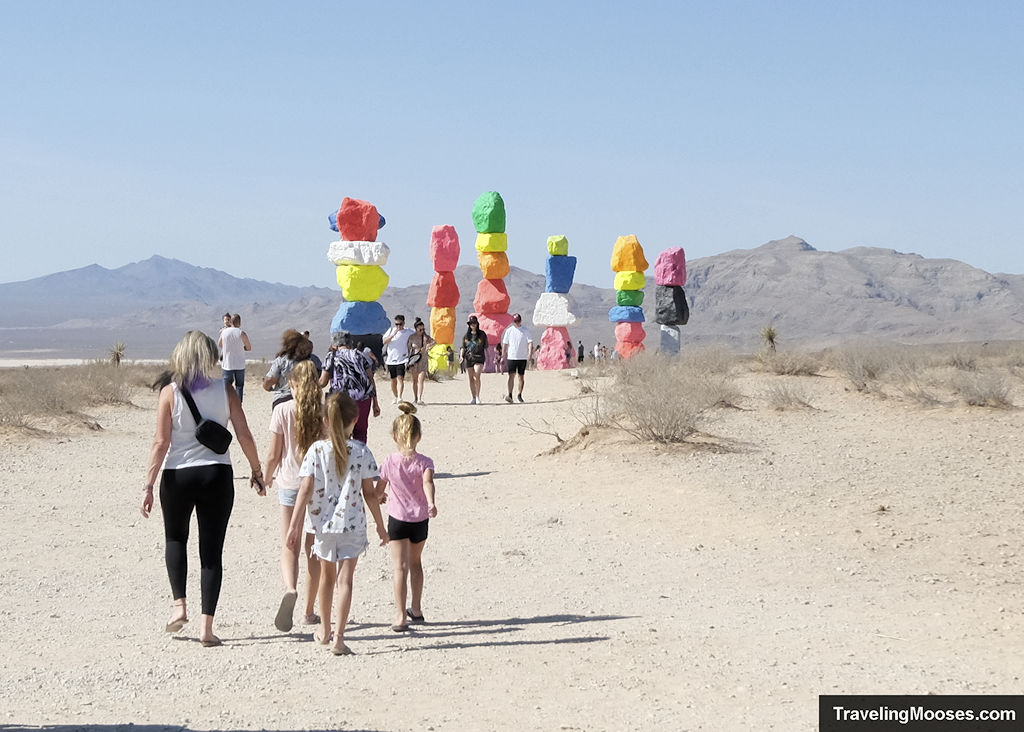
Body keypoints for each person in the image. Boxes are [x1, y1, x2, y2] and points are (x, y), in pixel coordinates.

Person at [140, 330, 264, 648]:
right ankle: (207, 629)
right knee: (211, 554)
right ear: (212, 356)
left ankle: (179, 606)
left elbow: (160, 442)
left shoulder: (169, 392)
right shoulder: (226, 390)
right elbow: (245, 435)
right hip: (217, 476)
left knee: (175, 538)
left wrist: (149, 484)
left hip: (177, 477)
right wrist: (256, 470)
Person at [287, 392, 389, 656]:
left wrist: (294, 525)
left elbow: (305, 489)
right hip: (352, 525)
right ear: (355, 419)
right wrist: (380, 525)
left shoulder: (316, 450)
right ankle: (339, 637)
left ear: (324, 420)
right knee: (346, 580)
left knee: (327, 578)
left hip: (322, 525)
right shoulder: (362, 451)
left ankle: (324, 629)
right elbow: (369, 493)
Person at [264, 360, 323, 632]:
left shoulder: (282, 410)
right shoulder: (323, 411)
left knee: (290, 541)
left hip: (289, 484)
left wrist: (264, 477)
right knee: (313, 548)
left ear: (293, 383)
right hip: (318, 486)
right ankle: (310, 611)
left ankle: (290, 587)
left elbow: (274, 454)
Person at [376, 402, 436, 632]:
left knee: (399, 567)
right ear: (419, 436)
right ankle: (417, 608)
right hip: (420, 519)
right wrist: (431, 503)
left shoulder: (389, 462)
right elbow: (428, 483)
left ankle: (400, 615)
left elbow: (379, 488)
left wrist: (380, 497)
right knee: (416, 563)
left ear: (394, 436)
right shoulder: (425, 462)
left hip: (398, 519)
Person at [319, 331, 380, 444]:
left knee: (340, 432)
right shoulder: (360, 355)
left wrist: (309, 386)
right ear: (350, 343)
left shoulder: (331, 356)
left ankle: (342, 457)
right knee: (361, 433)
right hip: (363, 400)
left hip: (341, 401)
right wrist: (375, 403)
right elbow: (370, 379)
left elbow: (323, 382)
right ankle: (359, 457)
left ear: (334, 344)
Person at [264, 329, 314, 410]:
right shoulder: (308, 360)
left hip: (282, 399)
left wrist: (267, 387)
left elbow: (270, 379)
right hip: (303, 400)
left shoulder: (281, 360)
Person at [500, 313, 534, 403]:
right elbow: (505, 344)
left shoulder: (526, 331)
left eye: (518, 321)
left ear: (521, 321)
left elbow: (530, 342)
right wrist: (503, 356)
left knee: (521, 376)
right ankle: (510, 394)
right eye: (515, 321)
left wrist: (530, 354)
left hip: (522, 357)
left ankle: (519, 394)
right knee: (511, 375)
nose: (517, 323)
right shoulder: (509, 331)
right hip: (511, 356)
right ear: (513, 321)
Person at [218, 314, 251, 402]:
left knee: (227, 386)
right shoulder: (242, 333)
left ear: (230, 321)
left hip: (227, 364)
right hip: (239, 364)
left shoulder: (224, 332)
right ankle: (238, 406)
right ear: (239, 323)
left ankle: (227, 405)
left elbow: (220, 344)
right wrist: (241, 347)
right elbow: (249, 347)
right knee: (239, 386)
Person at [381, 314, 413, 404]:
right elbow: (384, 341)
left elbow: (417, 335)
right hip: (391, 359)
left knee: (400, 378)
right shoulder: (391, 330)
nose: (398, 326)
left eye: (400, 324)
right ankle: (395, 396)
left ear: (404, 323)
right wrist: (393, 334)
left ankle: (399, 396)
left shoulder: (409, 331)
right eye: (397, 324)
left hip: (402, 359)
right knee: (393, 379)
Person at [407, 317, 436, 405]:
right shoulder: (411, 337)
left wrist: (428, 346)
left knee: (421, 379)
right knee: (415, 380)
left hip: (423, 359)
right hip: (415, 359)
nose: (422, 331)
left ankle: (420, 398)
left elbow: (434, 342)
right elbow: (408, 349)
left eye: (423, 329)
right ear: (416, 329)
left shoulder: (426, 337)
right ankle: (415, 398)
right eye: (420, 329)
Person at [459, 315, 487, 404]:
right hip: (469, 358)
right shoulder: (466, 336)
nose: (473, 325)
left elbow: (486, 347)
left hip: (479, 357)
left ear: (477, 324)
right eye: (471, 323)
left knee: (477, 375)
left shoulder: (482, 335)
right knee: (471, 378)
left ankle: (478, 396)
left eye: (474, 323)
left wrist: (490, 358)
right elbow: (463, 347)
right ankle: (474, 397)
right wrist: (461, 356)